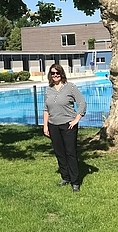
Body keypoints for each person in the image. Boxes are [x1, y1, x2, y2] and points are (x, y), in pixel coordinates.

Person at [43, 63, 87, 192]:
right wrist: (45, 125)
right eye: (53, 73)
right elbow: (46, 109)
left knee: (70, 153)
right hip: (53, 125)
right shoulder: (48, 89)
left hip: (68, 125)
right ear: (50, 75)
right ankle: (65, 177)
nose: (55, 75)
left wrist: (77, 119)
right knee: (59, 153)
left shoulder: (70, 87)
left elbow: (82, 103)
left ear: (62, 74)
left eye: (57, 73)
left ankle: (75, 182)